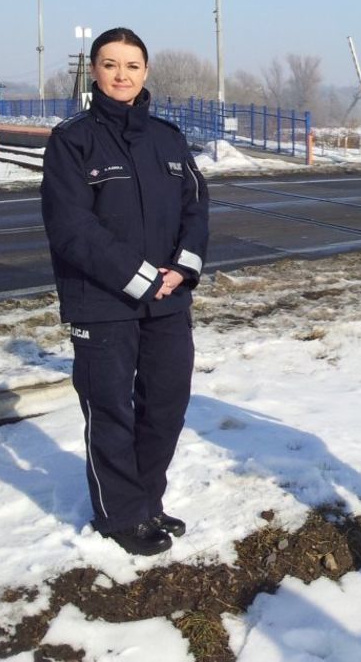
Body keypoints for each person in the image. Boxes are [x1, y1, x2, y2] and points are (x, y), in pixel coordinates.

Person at [41, 27, 209, 557]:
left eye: (131, 65)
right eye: (110, 65)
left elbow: (196, 209)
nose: (121, 75)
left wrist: (181, 269)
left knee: (166, 403)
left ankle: (147, 500)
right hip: (103, 301)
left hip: (169, 300)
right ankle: (120, 515)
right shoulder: (72, 140)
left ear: (145, 71)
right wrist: (141, 276)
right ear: (94, 71)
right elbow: (72, 228)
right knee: (109, 409)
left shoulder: (169, 138)